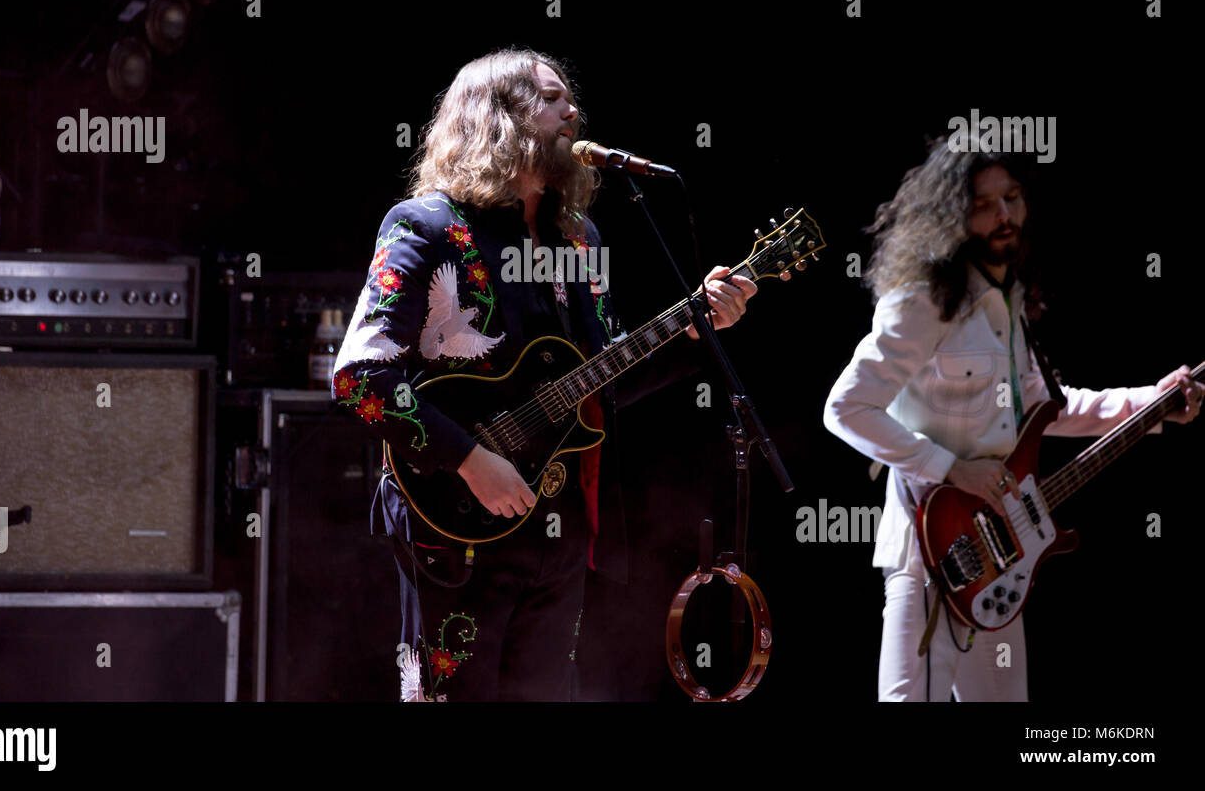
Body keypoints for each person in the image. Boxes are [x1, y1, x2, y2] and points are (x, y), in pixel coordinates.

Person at [333, 48, 758, 700]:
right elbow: (360, 378)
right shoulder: (427, 227)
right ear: (498, 116)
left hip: (556, 523)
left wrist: (697, 332)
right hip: (454, 521)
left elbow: (604, 382)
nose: (573, 111)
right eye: (553, 98)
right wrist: (472, 459)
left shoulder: (577, 239)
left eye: (570, 98)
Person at [822, 136, 1203, 701]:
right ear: (952, 215)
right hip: (932, 553)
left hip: (999, 556)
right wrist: (951, 469)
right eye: (984, 203)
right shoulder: (921, 302)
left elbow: (1047, 408)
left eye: (1013, 197)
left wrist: (1153, 401)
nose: (1004, 215)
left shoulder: (1008, 300)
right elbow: (845, 409)